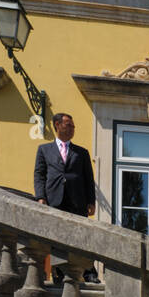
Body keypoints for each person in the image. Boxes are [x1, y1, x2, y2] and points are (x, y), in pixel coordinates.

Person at [34, 112, 98, 281]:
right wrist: (40, 197)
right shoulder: (44, 150)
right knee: (57, 239)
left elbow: (88, 179)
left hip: (78, 200)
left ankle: (89, 273)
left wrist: (91, 201)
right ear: (57, 125)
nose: (71, 129)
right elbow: (39, 175)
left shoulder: (81, 152)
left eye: (73, 126)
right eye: (68, 125)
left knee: (81, 238)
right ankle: (59, 273)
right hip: (55, 200)